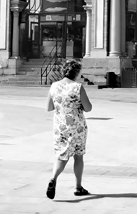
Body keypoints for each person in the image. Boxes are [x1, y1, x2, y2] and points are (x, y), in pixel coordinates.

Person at [45, 59, 92, 200]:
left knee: (61, 155)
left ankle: (53, 178)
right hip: (77, 127)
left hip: (60, 127)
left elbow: (49, 107)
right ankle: (78, 187)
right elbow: (88, 108)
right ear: (76, 72)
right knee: (78, 156)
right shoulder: (77, 87)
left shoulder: (54, 86)